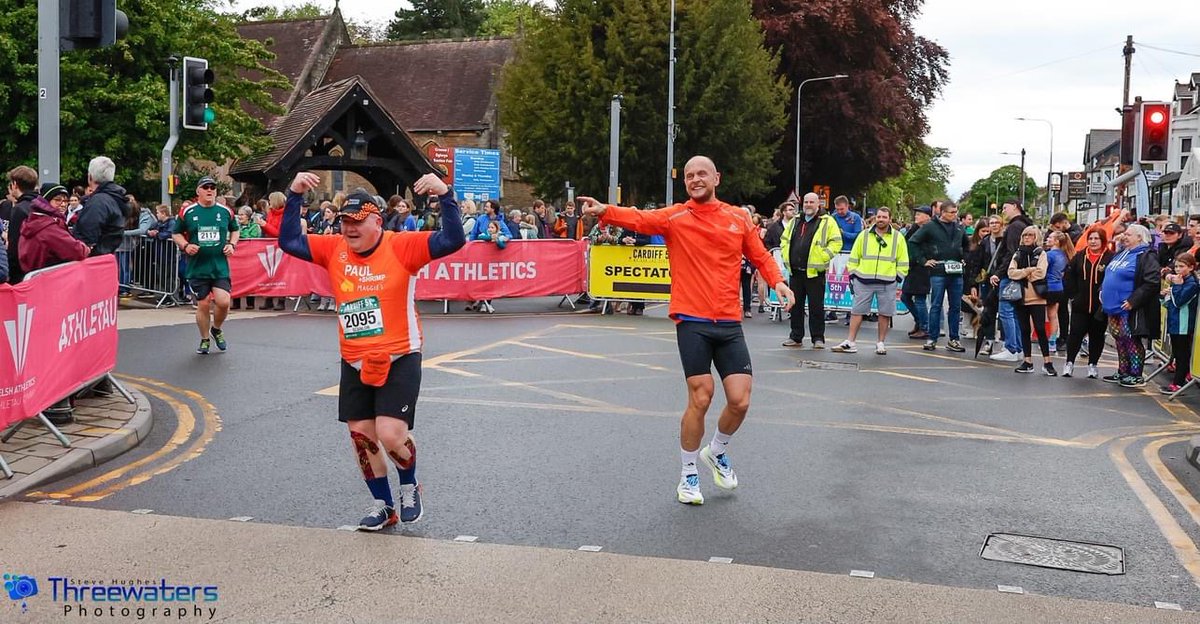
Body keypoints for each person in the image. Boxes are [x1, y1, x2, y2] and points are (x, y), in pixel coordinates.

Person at [578, 156, 795, 506]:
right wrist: (605, 210)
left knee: (740, 400)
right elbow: (640, 218)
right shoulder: (676, 216)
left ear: (717, 178)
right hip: (691, 320)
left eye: (702, 174)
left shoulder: (738, 217)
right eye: (690, 175)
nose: (695, 179)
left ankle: (717, 451)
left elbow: (760, 256)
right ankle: (688, 473)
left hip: (728, 321)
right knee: (702, 395)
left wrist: (779, 283)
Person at [279, 171, 464, 530]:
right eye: (345, 221)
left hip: (399, 356)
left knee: (391, 434)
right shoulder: (334, 249)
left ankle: (409, 485)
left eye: (358, 222)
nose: (349, 229)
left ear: (377, 221)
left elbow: (453, 240)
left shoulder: (402, 246)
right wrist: (294, 195)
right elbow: (288, 241)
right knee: (363, 436)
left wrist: (447, 195)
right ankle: (383, 505)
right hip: (354, 360)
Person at [172, 177, 239, 354]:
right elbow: (176, 233)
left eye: (213, 188)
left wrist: (232, 244)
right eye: (205, 187)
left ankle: (216, 329)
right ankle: (204, 339)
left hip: (219, 266)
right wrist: (185, 245)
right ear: (198, 191)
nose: (210, 190)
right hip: (197, 267)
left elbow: (235, 229)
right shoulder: (188, 211)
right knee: (203, 304)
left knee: (224, 301)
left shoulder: (225, 211)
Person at [832, 206, 908, 355]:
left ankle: (880, 343)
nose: (880, 219)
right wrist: (853, 275)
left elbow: (903, 260)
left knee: (884, 314)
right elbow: (854, 257)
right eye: (878, 217)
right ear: (875, 218)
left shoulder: (898, 237)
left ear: (890, 219)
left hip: (887, 281)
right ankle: (850, 341)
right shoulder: (864, 235)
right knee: (856, 311)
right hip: (863, 280)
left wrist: (898, 277)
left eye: (884, 217)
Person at [1100, 224, 1161, 388]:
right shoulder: (1122, 253)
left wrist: (1133, 300)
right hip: (1112, 306)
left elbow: (1152, 282)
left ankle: (1136, 374)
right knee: (1119, 339)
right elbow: (1110, 274)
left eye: (1128, 234)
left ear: (1139, 237)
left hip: (1129, 308)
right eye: (1124, 234)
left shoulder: (1146, 255)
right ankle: (1123, 371)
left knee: (1131, 339)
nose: (1124, 236)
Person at [780, 192, 841, 349]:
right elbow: (784, 240)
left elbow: (836, 243)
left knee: (816, 307)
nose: (808, 205)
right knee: (796, 306)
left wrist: (822, 257)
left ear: (818, 204)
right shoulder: (796, 220)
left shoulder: (827, 221)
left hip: (815, 272)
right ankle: (796, 337)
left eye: (811, 202)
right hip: (796, 271)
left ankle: (818, 338)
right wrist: (785, 253)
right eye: (806, 202)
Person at [907, 200, 968, 352]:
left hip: (956, 272)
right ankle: (932, 338)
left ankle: (954, 339)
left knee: (955, 307)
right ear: (943, 212)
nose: (955, 215)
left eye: (956, 212)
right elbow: (913, 242)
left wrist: (964, 258)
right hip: (938, 271)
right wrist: (923, 260)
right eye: (952, 212)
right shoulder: (930, 227)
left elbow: (967, 245)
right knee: (936, 305)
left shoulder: (960, 228)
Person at [1062, 229, 1112, 379]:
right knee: (1075, 334)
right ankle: (1069, 363)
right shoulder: (1080, 256)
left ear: (1103, 240)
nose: (1093, 241)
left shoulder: (1110, 257)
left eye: (1097, 238)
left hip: (1100, 306)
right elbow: (1068, 276)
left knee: (1097, 335)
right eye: (1091, 238)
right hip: (1080, 305)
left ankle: (1093, 365)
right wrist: (1073, 296)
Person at [989, 200, 1034, 362]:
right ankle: (1018, 348)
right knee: (1015, 312)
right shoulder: (1025, 225)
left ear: (1015, 207)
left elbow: (1012, 252)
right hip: (1020, 274)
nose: (1003, 211)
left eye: (1005, 207)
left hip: (1010, 274)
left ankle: (1011, 348)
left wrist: (999, 273)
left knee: (1006, 311)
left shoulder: (1015, 227)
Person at [1007, 226, 1055, 375]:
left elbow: (1041, 273)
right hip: (1020, 297)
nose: (1027, 238)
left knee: (1040, 329)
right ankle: (1028, 361)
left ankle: (1047, 362)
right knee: (1024, 329)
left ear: (1036, 237)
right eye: (1025, 235)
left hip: (1037, 297)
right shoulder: (1017, 253)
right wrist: (1028, 271)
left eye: (1030, 235)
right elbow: (1011, 272)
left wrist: (1022, 274)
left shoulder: (1041, 253)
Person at [18, 183, 89, 272]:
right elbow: (77, 251)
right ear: (46, 201)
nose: (63, 204)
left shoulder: (33, 221)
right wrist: (86, 248)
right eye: (58, 200)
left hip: (36, 278)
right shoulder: (48, 227)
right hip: (51, 278)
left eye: (66, 201)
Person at [75, 156, 129, 259]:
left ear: (90, 177)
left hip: (93, 260)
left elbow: (86, 237)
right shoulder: (116, 198)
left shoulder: (98, 202)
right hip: (106, 257)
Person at [1161, 253, 1199, 394]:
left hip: (1183, 324)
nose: (1177, 270)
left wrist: (1174, 289)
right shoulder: (1181, 281)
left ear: (1191, 267)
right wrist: (1167, 293)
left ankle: (1178, 382)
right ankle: (1185, 375)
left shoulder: (1192, 284)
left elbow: (1179, 301)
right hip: (1175, 322)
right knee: (1177, 352)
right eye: (1176, 266)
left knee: (1182, 354)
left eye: (1181, 266)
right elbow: (1168, 302)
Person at [901, 205, 932, 340]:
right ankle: (919, 321)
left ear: (927, 216)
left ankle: (924, 327)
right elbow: (906, 242)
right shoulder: (915, 228)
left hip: (922, 268)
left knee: (920, 299)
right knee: (905, 297)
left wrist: (923, 260)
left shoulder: (930, 230)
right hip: (911, 267)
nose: (916, 216)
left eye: (919, 214)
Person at [5, 165, 38, 283]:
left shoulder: (19, 209)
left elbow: (14, 246)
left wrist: (10, 276)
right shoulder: (42, 205)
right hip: (40, 268)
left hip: (22, 273)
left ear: (15, 184)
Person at [1045, 231, 1074, 353]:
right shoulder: (1064, 255)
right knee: (1053, 315)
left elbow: (1042, 270)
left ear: (1056, 241)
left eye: (1050, 237)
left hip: (1047, 287)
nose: (1047, 238)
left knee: (1038, 314)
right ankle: (1052, 341)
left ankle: (1038, 338)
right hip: (1058, 287)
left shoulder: (1049, 255)